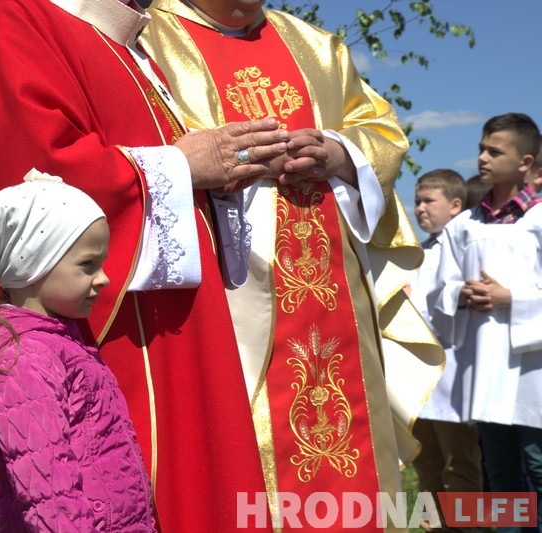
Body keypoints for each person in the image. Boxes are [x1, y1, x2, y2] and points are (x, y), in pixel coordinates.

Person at [0, 0, 290, 531]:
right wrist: (182, 165)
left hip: (170, 336)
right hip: (93, 356)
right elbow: (34, 176)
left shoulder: (130, 48)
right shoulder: (15, 19)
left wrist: (214, 175)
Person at [141, 1, 444, 528]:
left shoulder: (317, 46)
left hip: (335, 292)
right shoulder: (145, 36)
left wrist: (341, 152)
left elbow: (381, 129)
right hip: (224, 287)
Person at [0, 169, 156, 532]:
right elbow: (49, 496)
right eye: (87, 265)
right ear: (32, 266)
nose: (104, 277)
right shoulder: (25, 363)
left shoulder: (56, 346)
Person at [429, 113, 542, 530]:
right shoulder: (465, 225)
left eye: (495, 151)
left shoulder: (538, 220)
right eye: (481, 148)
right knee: (500, 470)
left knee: (537, 464)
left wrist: (513, 298)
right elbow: (437, 285)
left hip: (534, 368)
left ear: (526, 162)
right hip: (488, 366)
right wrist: (458, 294)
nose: (482, 158)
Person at [409, 169, 483, 532]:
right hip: (421, 381)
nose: (420, 209)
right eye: (417, 201)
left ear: (456, 205)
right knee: (428, 464)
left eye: (428, 201)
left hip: (456, 375)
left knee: (461, 464)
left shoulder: (468, 246)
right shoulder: (416, 254)